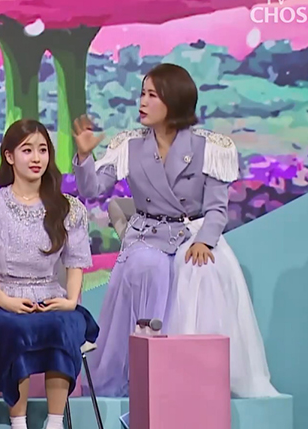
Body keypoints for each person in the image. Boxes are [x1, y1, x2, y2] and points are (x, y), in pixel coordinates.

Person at [72, 63, 278, 398]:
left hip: (191, 232)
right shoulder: (130, 145)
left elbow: (216, 209)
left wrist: (204, 241)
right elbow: (92, 188)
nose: (142, 101)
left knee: (200, 267)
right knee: (146, 266)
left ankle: (193, 376)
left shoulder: (209, 147)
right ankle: (141, 373)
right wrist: (84, 156)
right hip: (147, 235)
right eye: (142, 93)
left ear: (174, 100)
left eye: (152, 95)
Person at [0, 119, 99, 429]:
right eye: (27, 150)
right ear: (9, 156)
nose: (36, 158)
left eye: (42, 150)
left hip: (51, 295)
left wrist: (70, 301)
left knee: (62, 326)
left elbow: (76, 264)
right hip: (1, 297)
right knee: (14, 330)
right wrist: (3, 299)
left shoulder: (68, 208)